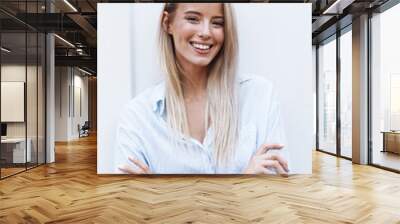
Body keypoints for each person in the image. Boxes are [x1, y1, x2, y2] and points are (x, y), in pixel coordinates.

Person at [115, 3, 290, 175]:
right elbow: (130, 200)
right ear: (167, 23)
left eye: (217, 23)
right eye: (193, 19)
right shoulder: (137, 116)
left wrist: (161, 195)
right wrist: (243, 183)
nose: (206, 32)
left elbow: (275, 192)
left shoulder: (261, 96)